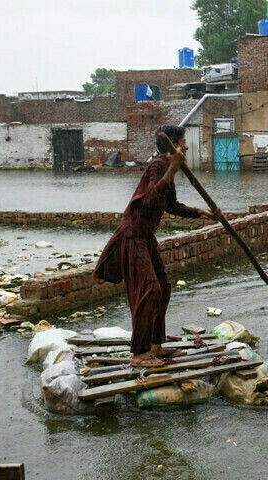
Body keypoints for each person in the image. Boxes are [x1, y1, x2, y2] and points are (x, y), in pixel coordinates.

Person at [93, 125, 221, 367]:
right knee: (149, 289)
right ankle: (138, 354)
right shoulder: (159, 166)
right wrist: (172, 168)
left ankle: (155, 345)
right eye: (183, 142)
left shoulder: (167, 169)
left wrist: (203, 213)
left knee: (163, 286)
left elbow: (171, 206)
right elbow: (151, 197)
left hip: (146, 235)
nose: (186, 147)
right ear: (173, 145)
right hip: (133, 234)